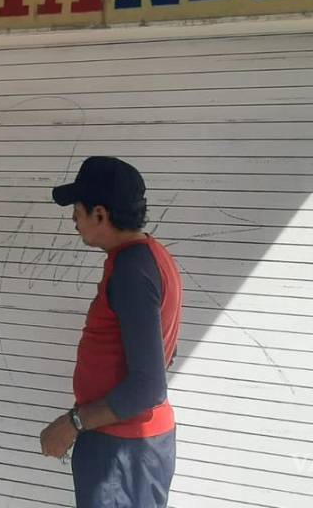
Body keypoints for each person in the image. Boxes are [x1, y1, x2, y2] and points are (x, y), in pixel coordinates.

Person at [39, 156, 183, 508]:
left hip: (124, 449)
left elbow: (148, 385)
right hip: (127, 445)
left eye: (77, 209)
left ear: (100, 214)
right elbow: (164, 351)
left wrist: (73, 422)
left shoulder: (132, 270)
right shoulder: (148, 255)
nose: (73, 219)